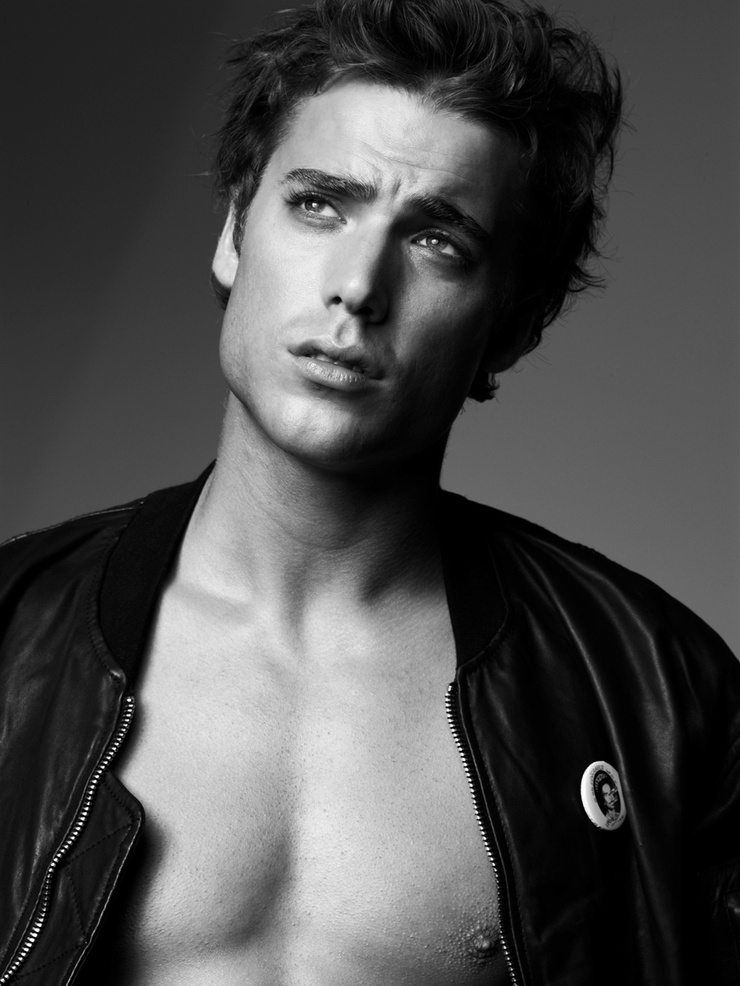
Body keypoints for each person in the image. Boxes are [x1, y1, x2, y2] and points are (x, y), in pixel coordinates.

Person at [0, 1, 738, 984]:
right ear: (233, 234)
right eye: (320, 204)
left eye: (438, 241)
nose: (357, 285)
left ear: (513, 326)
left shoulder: (658, 691)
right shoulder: (11, 636)